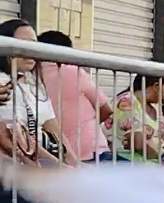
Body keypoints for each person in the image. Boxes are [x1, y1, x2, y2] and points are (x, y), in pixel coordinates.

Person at [0, 19, 68, 203]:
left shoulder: (32, 84)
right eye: (23, 45)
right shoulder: (2, 82)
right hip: (7, 159)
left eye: (35, 45)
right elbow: (5, 136)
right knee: (29, 184)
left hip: (21, 155)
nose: (32, 53)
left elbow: (38, 131)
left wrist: (66, 161)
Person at [38, 30, 114, 163]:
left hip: (57, 157)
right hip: (92, 151)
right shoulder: (75, 71)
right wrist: (85, 125)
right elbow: (106, 108)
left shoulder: (29, 77)